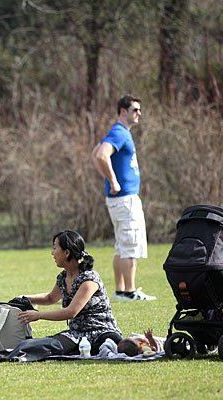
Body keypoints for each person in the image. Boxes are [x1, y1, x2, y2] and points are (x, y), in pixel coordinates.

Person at [15, 230, 122, 358]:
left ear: (67, 253)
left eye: (55, 248)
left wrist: (38, 315)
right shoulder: (63, 277)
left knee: (107, 345)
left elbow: (71, 312)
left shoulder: (89, 279)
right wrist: (24, 298)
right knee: (41, 346)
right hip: (76, 334)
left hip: (102, 332)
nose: (52, 253)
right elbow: (50, 298)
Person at [91, 95, 156, 301]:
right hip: (125, 199)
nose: (139, 114)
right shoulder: (119, 132)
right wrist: (113, 180)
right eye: (135, 110)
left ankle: (120, 291)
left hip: (120, 200)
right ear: (123, 111)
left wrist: (109, 179)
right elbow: (101, 155)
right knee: (130, 245)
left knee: (122, 245)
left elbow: (94, 154)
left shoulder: (118, 132)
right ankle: (130, 291)